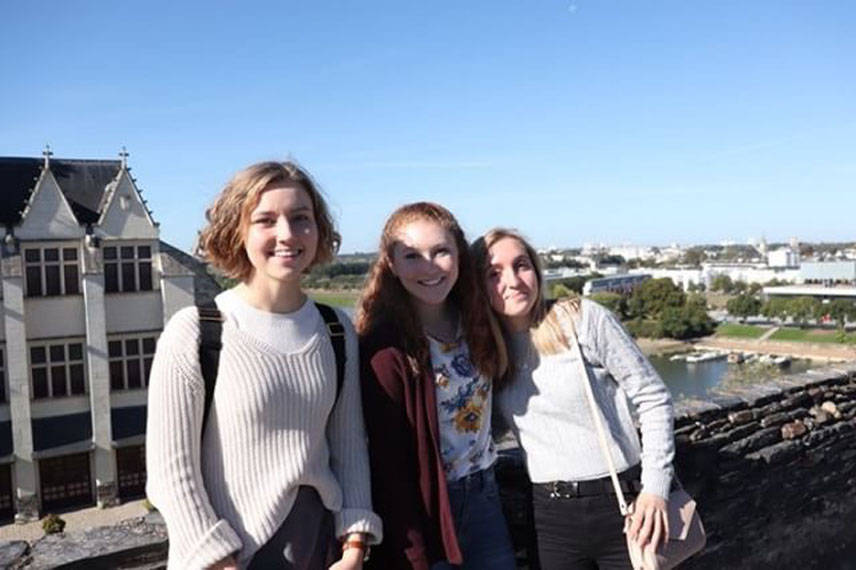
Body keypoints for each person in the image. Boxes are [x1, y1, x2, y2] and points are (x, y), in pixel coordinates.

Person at [145, 161, 381, 570]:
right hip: (229, 556)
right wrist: (222, 562)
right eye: (265, 220)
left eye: (301, 218)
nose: (287, 234)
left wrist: (355, 548)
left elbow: (349, 448)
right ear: (238, 231)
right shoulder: (195, 332)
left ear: (318, 229)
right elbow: (170, 476)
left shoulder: (335, 329)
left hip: (320, 547)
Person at [472, 228, 675, 570]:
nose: (513, 280)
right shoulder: (489, 353)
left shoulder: (582, 318)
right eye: (494, 273)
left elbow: (653, 397)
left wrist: (655, 488)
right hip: (550, 517)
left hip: (622, 505)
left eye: (521, 265)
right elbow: (481, 433)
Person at [355, 203, 516, 570]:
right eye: (412, 255)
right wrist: (413, 552)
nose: (429, 267)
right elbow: (388, 464)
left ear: (459, 255)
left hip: (484, 494)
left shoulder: (477, 323)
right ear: (391, 264)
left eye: (441, 251)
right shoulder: (386, 348)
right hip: (426, 511)